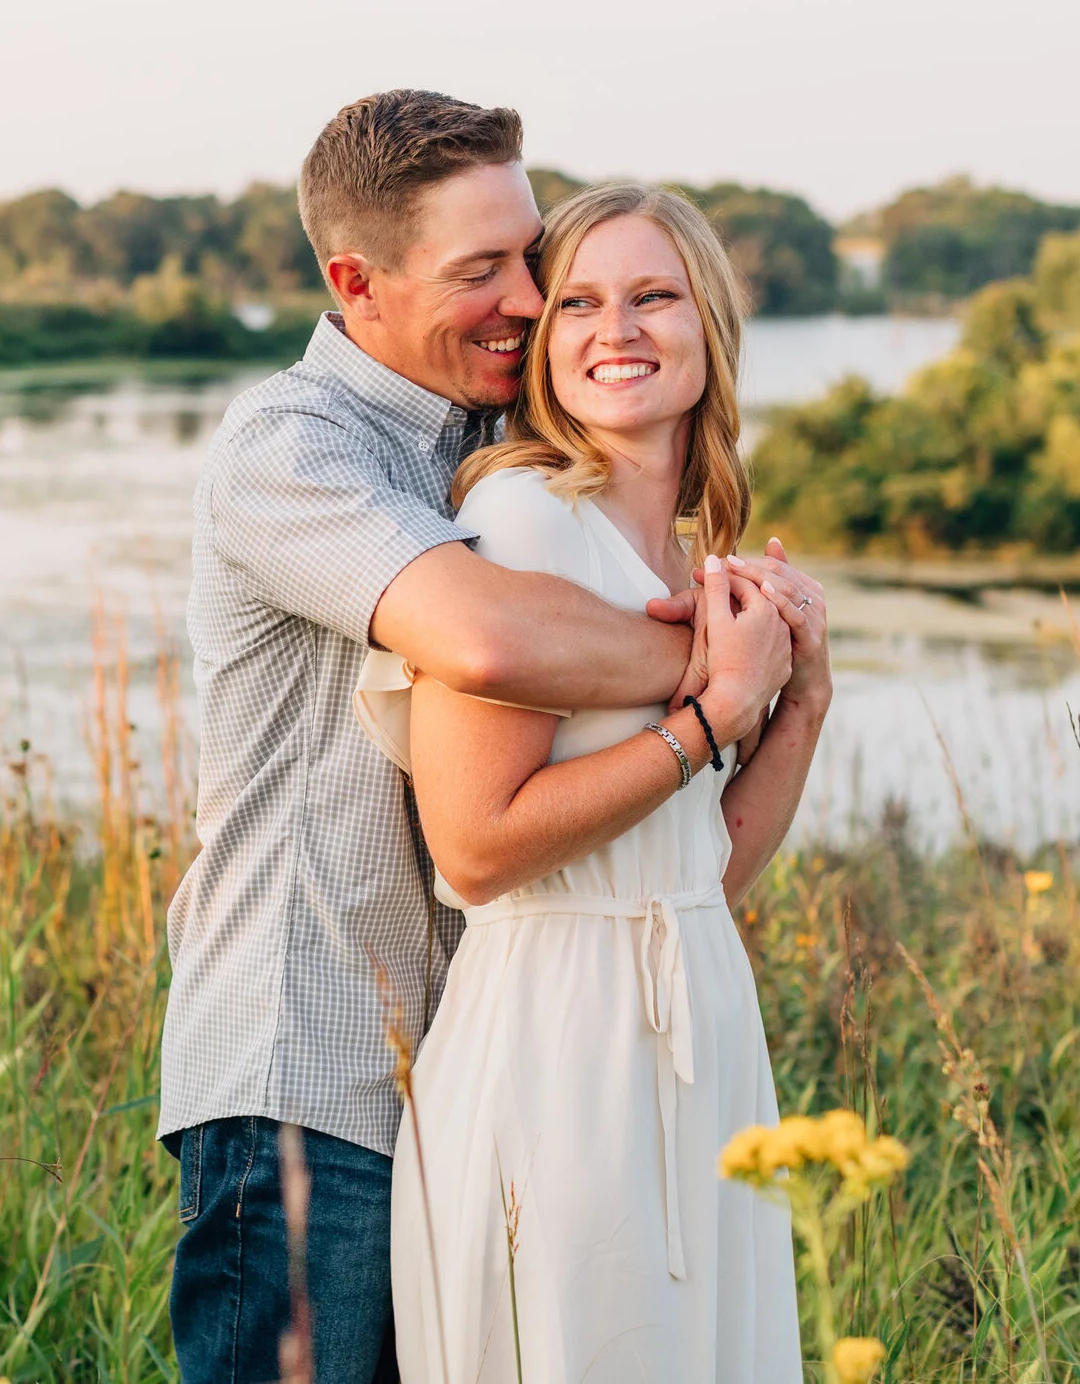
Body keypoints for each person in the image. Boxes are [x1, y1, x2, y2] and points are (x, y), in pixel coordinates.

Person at [159, 93, 708, 1384]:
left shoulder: (495, 444)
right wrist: (724, 671)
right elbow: (484, 639)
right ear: (358, 281)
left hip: (472, 1076)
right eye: (483, 271)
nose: (528, 296)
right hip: (307, 1079)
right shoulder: (291, 450)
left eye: (529, 257)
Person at [370, 182, 829, 1381]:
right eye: (575, 301)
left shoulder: (689, 555)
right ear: (543, 343)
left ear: (709, 323)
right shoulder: (519, 519)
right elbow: (474, 844)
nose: (612, 328)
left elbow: (704, 867)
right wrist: (713, 711)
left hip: (701, 1014)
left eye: (650, 296)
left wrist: (802, 700)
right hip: (557, 1035)